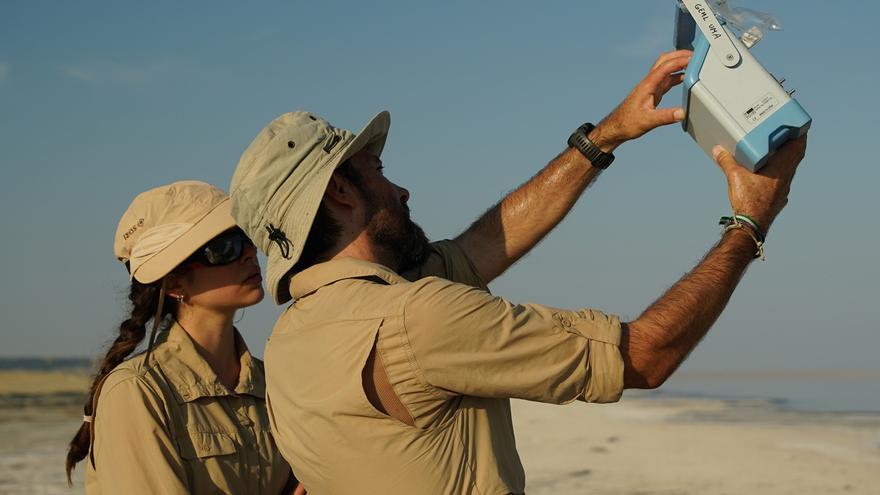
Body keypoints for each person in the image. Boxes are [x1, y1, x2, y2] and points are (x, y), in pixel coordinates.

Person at [229, 50, 807, 494]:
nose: (400, 188)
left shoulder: (289, 341)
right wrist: (749, 222)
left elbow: (483, 247)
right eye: (376, 170)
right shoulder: (416, 316)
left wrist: (605, 135)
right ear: (339, 193)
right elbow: (645, 355)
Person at [65, 181, 302, 494]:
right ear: (174, 282)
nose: (248, 253)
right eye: (223, 247)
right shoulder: (137, 392)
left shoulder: (272, 384)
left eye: (246, 238)